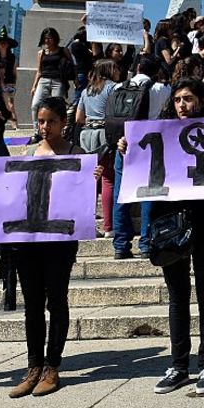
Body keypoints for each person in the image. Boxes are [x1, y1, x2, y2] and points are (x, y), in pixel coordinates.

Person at [117, 79, 204, 396]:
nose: (182, 105)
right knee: (177, 297)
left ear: (201, 100)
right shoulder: (160, 134)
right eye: (177, 100)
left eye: (188, 99)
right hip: (169, 224)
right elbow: (143, 170)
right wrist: (125, 152)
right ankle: (179, 365)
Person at [7, 97, 83, 398]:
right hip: (28, 242)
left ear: (63, 122)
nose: (44, 126)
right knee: (33, 304)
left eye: (51, 121)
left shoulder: (76, 154)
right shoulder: (28, 154)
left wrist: (91, 179)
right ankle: (33, 367)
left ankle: (53, 366)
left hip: (60, 241)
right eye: (40, 121)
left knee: (57, 300)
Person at [110, 55, 170, 259]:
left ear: (136, 68)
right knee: (148, 194)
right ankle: (146, 243)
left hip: (123, 144)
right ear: (156, 72)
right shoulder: (160, 89)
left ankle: (120, 245)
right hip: (150, 146)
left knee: (121, 194)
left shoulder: (118, 88)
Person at [77, 59, 120, 237]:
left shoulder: (87, 91)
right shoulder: (113, 88)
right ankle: (108, 226)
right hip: (105, 136)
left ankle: (87, 223)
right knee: (108, 179)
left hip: (87, 136)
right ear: (109, 70)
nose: (119, 71)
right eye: (116, 68)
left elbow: (79, 118)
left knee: (90, 180)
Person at [29, 28, 73, 132]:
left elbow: (72, 66)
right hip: (44, 80)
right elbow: (39, 70)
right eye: (45, 39)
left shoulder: (63, 51)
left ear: (55, 39)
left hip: (58, 81)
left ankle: (58, 130)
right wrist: (34, 86)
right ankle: (37, 131)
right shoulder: (41, 53)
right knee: (35, 105)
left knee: (57, 107)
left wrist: (75, 79)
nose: (47, 41)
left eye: (50, 38)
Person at [0, 27, 19, 129]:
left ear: (8, 45)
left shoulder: (13, 57)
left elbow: (14, 72)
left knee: (10, 103)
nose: (3, 44)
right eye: (1, 42)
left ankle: (15, 124)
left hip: (9, 82)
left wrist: (14, 84)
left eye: (5, 42)